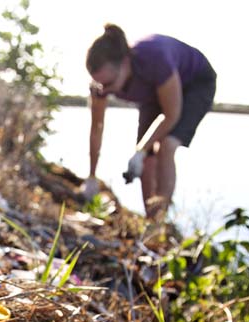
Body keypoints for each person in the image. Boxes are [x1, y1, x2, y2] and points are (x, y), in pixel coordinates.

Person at [82, 25, 216, 220]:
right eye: (99, 85)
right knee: (146, 158)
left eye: (109, 85)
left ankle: (159, 220)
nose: (103, 90)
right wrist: (92, 176)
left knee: (167, 144)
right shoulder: (101, 86)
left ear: (125, 62)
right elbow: (97, 129)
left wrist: (140, 149)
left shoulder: (154, 57)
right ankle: (150, 218)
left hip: (195, 83)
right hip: (153, 94)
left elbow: (171, 115)